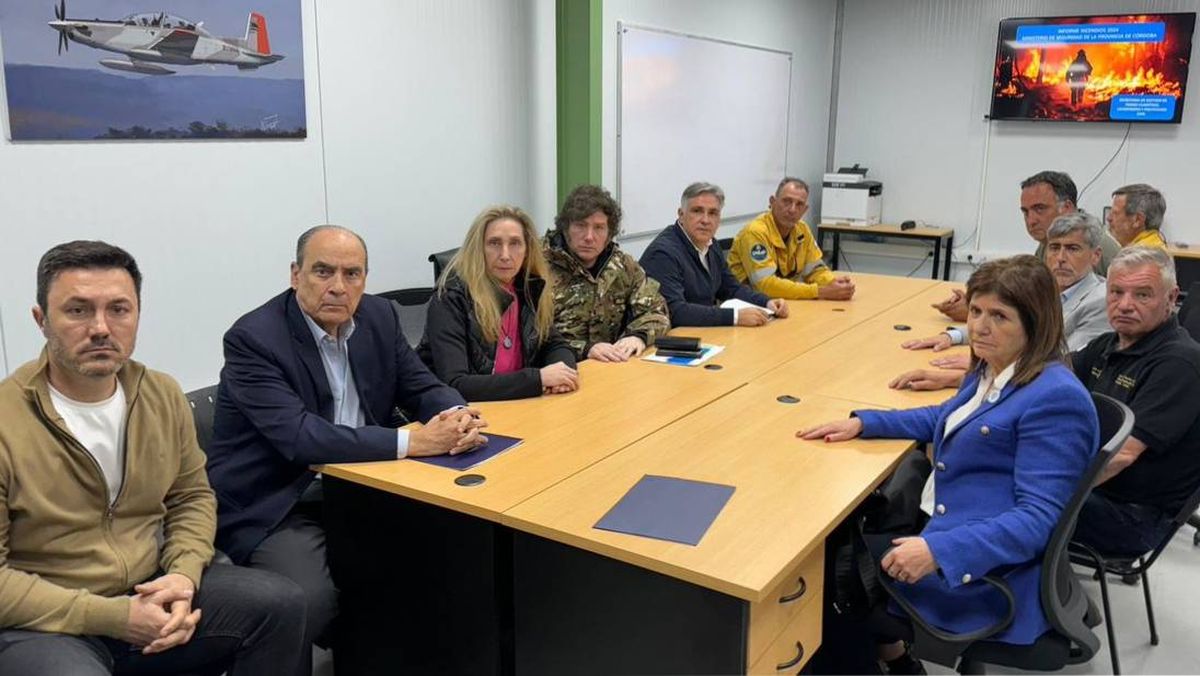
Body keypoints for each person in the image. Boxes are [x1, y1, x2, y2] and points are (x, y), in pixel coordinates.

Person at [0, 241, 305, 675]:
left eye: (119, 310)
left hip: (151, 587)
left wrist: (182, 576)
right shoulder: (6, 420)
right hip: (47, 622)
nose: (101, 327)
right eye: (78, 310)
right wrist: (117, 618)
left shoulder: (160, 394)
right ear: (41, 320)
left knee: (282, 605)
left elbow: (192, 498)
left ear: (137, 315)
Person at [207, 225, 485, 674]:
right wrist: (413, 442)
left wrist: (456, 413)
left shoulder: (378, 317)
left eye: (352, 274)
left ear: (365, 279)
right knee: (305, 602)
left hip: (365, 487)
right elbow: (301, 437)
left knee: (455, 550)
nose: (338, 286)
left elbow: (418, 384)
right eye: (323, 271)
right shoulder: (253, 339)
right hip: (282, 500)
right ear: (295, 275)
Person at [800, 255, 1098, 668]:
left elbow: (1038, 519)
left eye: (999, 316)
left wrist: (939, 550)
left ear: (1036, 322)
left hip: (982, 572)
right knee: (839, 539)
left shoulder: (1054, 398)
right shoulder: (995, 366)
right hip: (956, 519)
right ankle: (897, 658)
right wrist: (865, 422)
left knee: (823, 582)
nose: (979, 326)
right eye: (976, 310)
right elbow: (947, 417)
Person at [1070, 246, 1200, 558]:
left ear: (1171, 299)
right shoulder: (1110, 343)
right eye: (1116, 292)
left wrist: (1043, 487)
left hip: (1131, 517)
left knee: (996, 492)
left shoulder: (1179, 363)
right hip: (1102, 492)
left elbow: (1120, 456)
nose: (1124, 305)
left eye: (1142, 295)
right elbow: (1048, 373)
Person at [899, 212, 1110, 385]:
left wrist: (965, 372)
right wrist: (952, 336)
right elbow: (1003, 321)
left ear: (1096, 255)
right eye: (1055, 248)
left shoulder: (1100, 301)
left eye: (1073, 249)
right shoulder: (1043, 287)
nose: (1061, 258)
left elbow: (1060, 363)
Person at [420, 205, 580, 400]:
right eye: (494, 243)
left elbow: (556, 345)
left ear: (527, 250)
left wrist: (563, 374)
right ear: (479, 249)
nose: (505, 255)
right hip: (463, 414)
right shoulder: (450, 297)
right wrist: (537, 379)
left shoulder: (528, 288)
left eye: (515, 243)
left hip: (518, 404)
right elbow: (456, 384)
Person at [933, 171, 1119, 322]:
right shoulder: (1048, 241)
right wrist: (981, 306)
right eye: (1025, 212)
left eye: (1040, 209)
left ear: (1067, 207)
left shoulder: (1097, 245)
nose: (1031, 220)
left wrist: (980, 315)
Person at [544, 184, 669, 362]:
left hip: (610, 368)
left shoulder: (624, 265)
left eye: (599, 228)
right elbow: (531, 338)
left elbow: (657, 311)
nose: (589, 236)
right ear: (565, 228)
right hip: (556, 371)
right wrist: (586, 349)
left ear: (610, 233)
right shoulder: (536, 265)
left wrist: (638, 336)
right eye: (580, 225)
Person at [640, 181, 790, 327]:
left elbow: (730, 288)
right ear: (681, 214)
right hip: (670, 340)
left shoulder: (711, 244)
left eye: (713, 213)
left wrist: (767, 302)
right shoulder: (663, 254)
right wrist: (735, 317)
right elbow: (674, 312)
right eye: (697, 211)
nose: (705, 220)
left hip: (704, 333)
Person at [727, 177, 855, 300]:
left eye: (799, 204)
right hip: (747, 305)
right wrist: (819, 291)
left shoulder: (802, 229)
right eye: (787, 201)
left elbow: (815, 269)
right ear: (772, 202)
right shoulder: (755, 232)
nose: (792, 210)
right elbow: (765, 285)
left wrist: (832, 283)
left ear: (804, 210)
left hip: (784, 302)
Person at [1107, 183, 1168, 249]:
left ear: (1138, 220)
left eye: (1115, 213)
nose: (1108, 218)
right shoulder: (1155, 245)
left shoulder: (1137, 256)